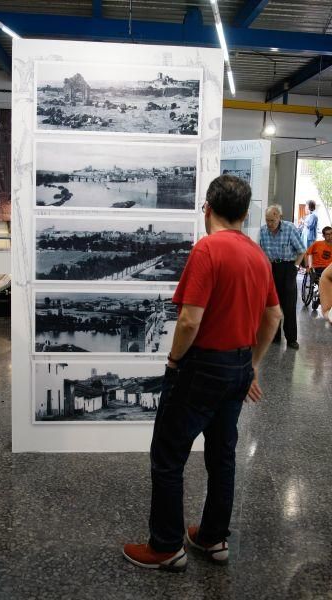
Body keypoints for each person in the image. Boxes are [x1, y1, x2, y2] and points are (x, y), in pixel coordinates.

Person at [123, 175, 282, 572]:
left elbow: (190, 321)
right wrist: (253, 365)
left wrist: (174, 361)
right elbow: (274, 316)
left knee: (168, 455)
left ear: (207, 208)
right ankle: (212, 537)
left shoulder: (207, 250)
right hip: (238, 367)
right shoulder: (259, 256)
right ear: (246, 214)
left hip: (200, 367)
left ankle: (165, 547)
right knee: (222, 455)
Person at [259, 205, 305, 349]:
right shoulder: (263, 231)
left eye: (272, 220)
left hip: (288, 267)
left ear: (279, 217)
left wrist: (295, 267)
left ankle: (291, 339)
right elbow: (261, 252)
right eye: (267, 220)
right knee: (273, 304)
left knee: (289, 305)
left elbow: (302, 250)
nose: (269, 224)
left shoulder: (290, 229)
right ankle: (275, 336)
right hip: (271, 268)